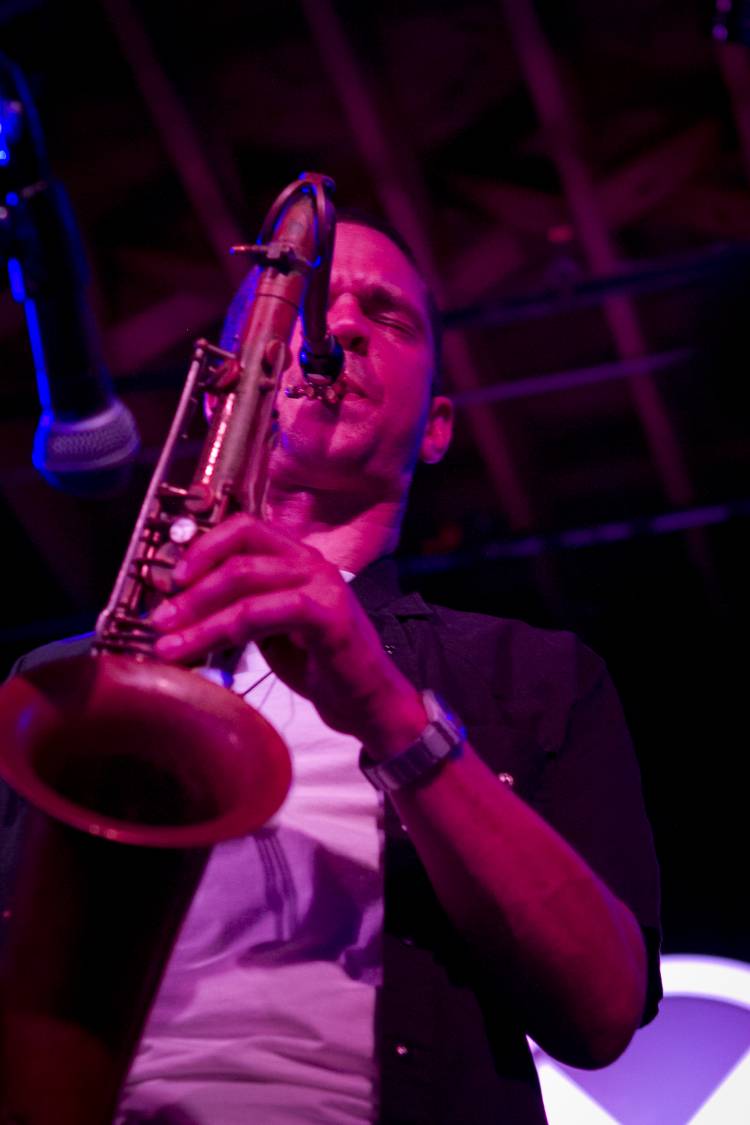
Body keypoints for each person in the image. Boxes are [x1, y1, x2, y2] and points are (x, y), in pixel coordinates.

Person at [1, 215, 661, 1124]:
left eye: (386, 317)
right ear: (222, 394)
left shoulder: (536, 675)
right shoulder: (57, 689)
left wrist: (394, 716)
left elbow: (604, 1010)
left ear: (435, 429)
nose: (337, 324)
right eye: (304, 311)